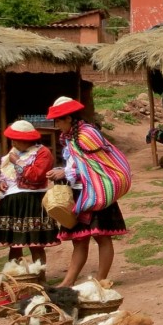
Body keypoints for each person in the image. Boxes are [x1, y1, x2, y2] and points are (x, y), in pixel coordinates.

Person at [45, 97, 130, 287]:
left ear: (68, 118)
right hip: (79, 193)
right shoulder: (69, 137)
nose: (56, 125)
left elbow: (94, 165)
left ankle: (101, 280)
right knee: (79, 239)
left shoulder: (87, 135)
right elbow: (80, 164)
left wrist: (65, 172)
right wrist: (63, 171)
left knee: (102, 236)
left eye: (58, 120)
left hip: (97, 192)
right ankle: (69, 281)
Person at [0, 120, 59, 265]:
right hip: (13, 202)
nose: (13, 143)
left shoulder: (43, 153)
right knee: (15, 245)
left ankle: (40, 278)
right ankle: (16, 279)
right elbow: (5, 173)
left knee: (36, 244)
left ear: (27, 140)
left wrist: (17, 162)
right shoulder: (14, 152)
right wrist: (1, 182)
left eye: (16, 140)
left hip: (32, 201)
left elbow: (35, 176)